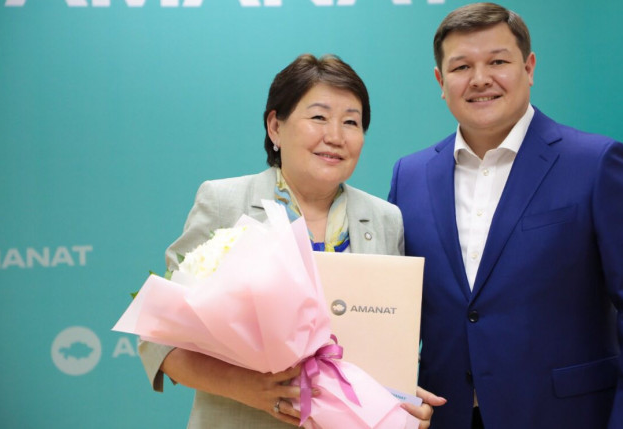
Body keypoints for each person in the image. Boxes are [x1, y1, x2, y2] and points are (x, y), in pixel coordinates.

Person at [388, 3, 623, 429]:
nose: (480, 79)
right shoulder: (409, 176)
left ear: (528, 68)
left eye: (497, 62)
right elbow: (395, 314)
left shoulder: (596, 163)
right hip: (443, 418)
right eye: (461, 67)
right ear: (440, 81)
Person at [139, 53, 445, 428]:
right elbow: (158, 338)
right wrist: (248, 388)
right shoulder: (224, 203)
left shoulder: (385, 218)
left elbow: (383, 348)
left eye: (351, 122)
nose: (335, 136)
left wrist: (401, 403)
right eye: (319, 117)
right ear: (275, 127)